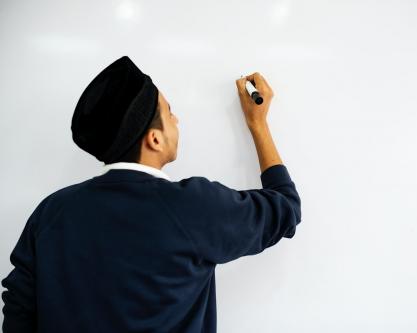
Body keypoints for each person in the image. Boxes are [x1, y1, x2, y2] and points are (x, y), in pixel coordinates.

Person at [1, 56, 302, 332]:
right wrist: (258, 124)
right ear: (154, 139)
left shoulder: (52, 212)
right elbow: (286, 207)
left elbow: (19, 307)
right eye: (169, 112)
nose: (177, 120)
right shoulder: (193, 207)